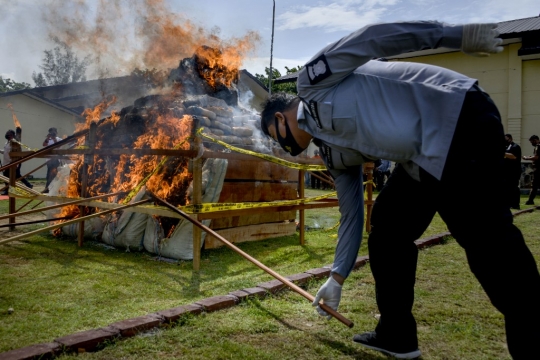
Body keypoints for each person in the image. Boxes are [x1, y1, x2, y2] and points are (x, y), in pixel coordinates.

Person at [260, 21, 540, 359]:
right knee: (388, 226)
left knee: (489, 245)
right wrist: (336, 278)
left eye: (277, 140)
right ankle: (397, 335)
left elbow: (372, 39)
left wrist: (456, 37)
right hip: (420, 157)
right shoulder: (333, 155)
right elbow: (351, 216)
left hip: (457, 117)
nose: (286, 148)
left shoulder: (313, 81)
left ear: (279, 119)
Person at [2, 128, 33, 195]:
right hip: (6, 162)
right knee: (16, 175)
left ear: (13, 135)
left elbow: (18, 153)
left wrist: (16, 163)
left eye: (9, 134)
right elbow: (6, 152)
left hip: (13, 162)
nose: (7, 135)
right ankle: (28, 185)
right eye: (7, 134)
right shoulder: (7, 143)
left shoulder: (15, 143)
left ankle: (7, 190)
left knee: (7, 176)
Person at [502, 134, 522, 209]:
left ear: (510, 139)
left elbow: (513, 156)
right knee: (507, 188)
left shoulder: (515, 147)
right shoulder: (506, 147)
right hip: (506, 172)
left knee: (514, 187)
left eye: (506, 139)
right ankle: (509, 203)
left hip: (514, 171)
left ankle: (516, 204)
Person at [41, 127, 63, 194]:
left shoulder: (59, 139)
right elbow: (44, 145)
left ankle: (48, 189)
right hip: (49, 159)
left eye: (53, 132)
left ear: (56, 132)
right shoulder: (49, 139)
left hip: (56, 159)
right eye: (51, 132)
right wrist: (48, 138)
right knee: (49, 175)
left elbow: (58, 146)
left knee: (52, 174)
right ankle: (50, 188)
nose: (52, 134)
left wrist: (54, 139)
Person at [523, 135, 539, 205]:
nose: (531, 143)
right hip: (537, 168)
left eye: (532, 141)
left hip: (538, 169)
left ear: (535, 140)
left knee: (534, 185)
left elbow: (536, 157)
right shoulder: (537, 147)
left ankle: (530, 200)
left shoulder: (538, 146)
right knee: (534, 185)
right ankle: (530, 200)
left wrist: (527, 158)